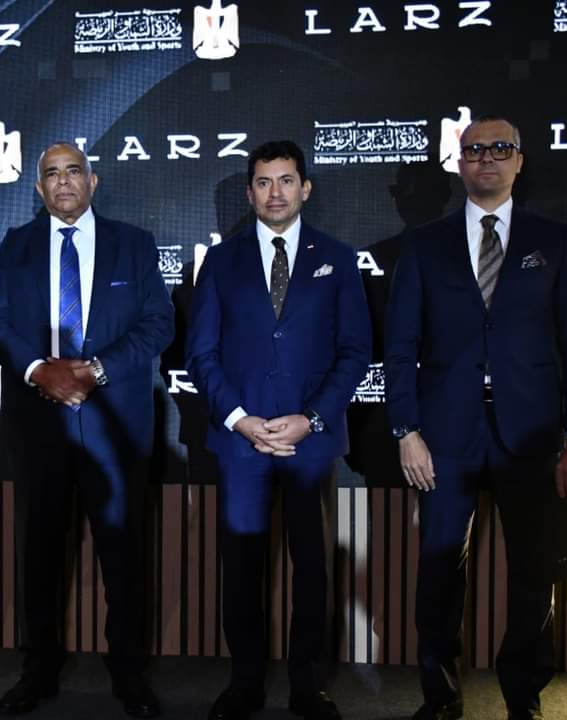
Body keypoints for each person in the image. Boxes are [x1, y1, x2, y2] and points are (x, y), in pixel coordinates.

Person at [384, 115, 567, 720]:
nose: (487, 158)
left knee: (533, 570)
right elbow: (400, 347)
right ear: (460, 163)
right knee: (438, 570)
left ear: (520, 161)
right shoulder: (424, 244)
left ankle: (522, 694)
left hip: (531, 434)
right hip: (443, 436)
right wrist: (406, 431)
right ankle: (440, 694)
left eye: (501, 148)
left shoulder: (554, 240)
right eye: (475, 149)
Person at [0, 142, 174, 718]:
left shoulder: (133, 244)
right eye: (51, 174)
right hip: (38, 423)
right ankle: (36, 671)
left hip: (115, 424)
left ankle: (129, 674)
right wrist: (39, 370)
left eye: (73, 172)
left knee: (123, 553)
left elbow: (158, 323)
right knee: (39, 551)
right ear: (38, 188)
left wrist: (94, 371)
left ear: (93, 181)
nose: (63, 182)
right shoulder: (15, 244)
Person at [186, 140, 371, 720]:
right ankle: (244, 682)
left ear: (305, 188)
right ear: (249, 193)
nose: (275, 193)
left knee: (312, 567)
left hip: (310, 444)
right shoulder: (221, 261)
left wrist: (310, 419)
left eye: (286, 180)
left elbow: (355, 351)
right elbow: (201, 354)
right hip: (241, 443)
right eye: (264, 182)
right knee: (242, 567)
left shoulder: (337, 258)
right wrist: (241, 420)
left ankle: (307, 686)